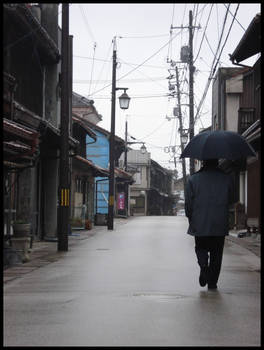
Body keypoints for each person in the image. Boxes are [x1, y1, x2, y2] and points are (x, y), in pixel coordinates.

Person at [185, 159, 235, 290]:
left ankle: (203, 266)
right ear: (217, 162)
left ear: (203, 162)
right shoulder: (226, 178)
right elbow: (232, 199)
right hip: (220, 221)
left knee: (200, 247)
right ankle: (212, 283)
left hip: (200, 220)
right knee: (217, 253)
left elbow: (189, 203)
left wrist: (191, 217)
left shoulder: (193, 179)